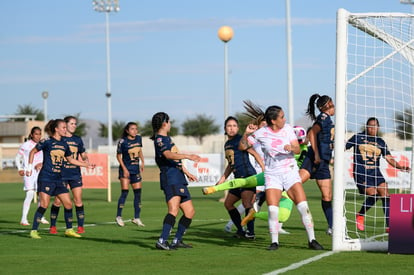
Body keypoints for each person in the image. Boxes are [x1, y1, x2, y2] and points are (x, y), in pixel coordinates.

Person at [242, 105, 323, 250]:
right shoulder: (261, 133)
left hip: (290, 173)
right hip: (272, 175)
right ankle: (274, 242)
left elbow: (297, 148)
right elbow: (243, 146)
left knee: (303, 207)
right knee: (273, 210)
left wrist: (291, 148)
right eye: (282, 117)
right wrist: (246, 134)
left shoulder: (288, 129)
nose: (284, 119)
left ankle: (312, 240)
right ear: (273, 120)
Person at [27, 119, 94, 239]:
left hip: (58, 178)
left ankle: (69, 230)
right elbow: (33, 152)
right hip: (46, 178)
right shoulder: (47, 141)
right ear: (56, 129)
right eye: (63, 127)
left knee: (68, 204)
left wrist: (86, 165)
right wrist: (29, 168)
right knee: (44, 205)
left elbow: (71, 160)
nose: (65, 129)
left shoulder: (64, 144)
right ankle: (33, 230)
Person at [345, 117, 410, 232]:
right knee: (374, 195)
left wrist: (400, 167)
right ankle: (360, 214)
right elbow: (343, 147)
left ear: (378, 127)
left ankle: (389, 226)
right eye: (370, 126)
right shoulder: (358, 137)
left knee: (385, 194)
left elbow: (389, 158)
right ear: (366, 127)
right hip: (361, 173)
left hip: (375, 173)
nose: (372, 128)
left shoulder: (380, 142)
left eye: (375, 126)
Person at [151, 112, 201, 250]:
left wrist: (186, 172)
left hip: (179, 177)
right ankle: (162, 240)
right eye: (169, 121)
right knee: (173, 209)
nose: (170, 124)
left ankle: (176, 240)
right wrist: (188, 156)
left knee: (190, 211)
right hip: (170, 178)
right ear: (164, 123)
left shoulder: (167, 138)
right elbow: (168, 155)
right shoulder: (160, 139)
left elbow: (175, 160)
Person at [215, 116, 264, 240]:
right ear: (225, 128)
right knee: (228, 204)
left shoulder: (241, 139)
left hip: (247, 176)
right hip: (238, 179)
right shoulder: (227, 144)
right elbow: (231, 164)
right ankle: (241, 230)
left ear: (238, 128)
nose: (232, 128)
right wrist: (223, 178)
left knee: (247, 204)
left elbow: (255, 154)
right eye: (229, 126)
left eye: (234, 126)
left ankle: (251, 232)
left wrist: (264, 170)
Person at [299, 93, 335, 235]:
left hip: (323, 162)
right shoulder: (323, 118)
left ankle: (332, 227)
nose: (334, 107)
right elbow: (312, 134)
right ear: (324, 107)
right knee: (294, 184)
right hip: (314, 159)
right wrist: (317, 154)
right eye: (331, 105)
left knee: (327, 196)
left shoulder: (329, 120)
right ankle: (264, 196)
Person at [49, 116, 89, 234]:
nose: (74, 126)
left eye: (75, 124)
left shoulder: (77, 139)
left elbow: (82, 154)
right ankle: (53, 226)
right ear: (65, 125)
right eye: (72, 124)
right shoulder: (59, 139)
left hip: (75, 174)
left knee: (78, 200)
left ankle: (80, 227)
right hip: (61, 175)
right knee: (57, 201)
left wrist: (86, 159)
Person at [15, 126, 49, 226]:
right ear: (31, 135)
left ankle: (40, 217)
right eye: (36, 134)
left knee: (41, 195)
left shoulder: (43, 144)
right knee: (30, 194)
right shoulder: (26, 145)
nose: (38, 136)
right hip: (29, 172)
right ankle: (24, 219)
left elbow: (45, 158)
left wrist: (42, 164)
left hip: (40, 172)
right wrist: (20, 168)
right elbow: (17, 158)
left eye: (39, 134)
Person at [115, 122, 145, 227]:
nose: (135, 131)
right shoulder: (122, 142)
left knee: (138, 194)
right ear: (127, 130)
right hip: (125, 170)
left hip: (135, 170)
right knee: (125, 192)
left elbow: (139, 150)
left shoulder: (138, 138)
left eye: (136, 129)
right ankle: (119, 216)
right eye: (132, 129)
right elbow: (118, 156)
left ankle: (137, 218)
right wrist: (124, 169)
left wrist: (142, 161)